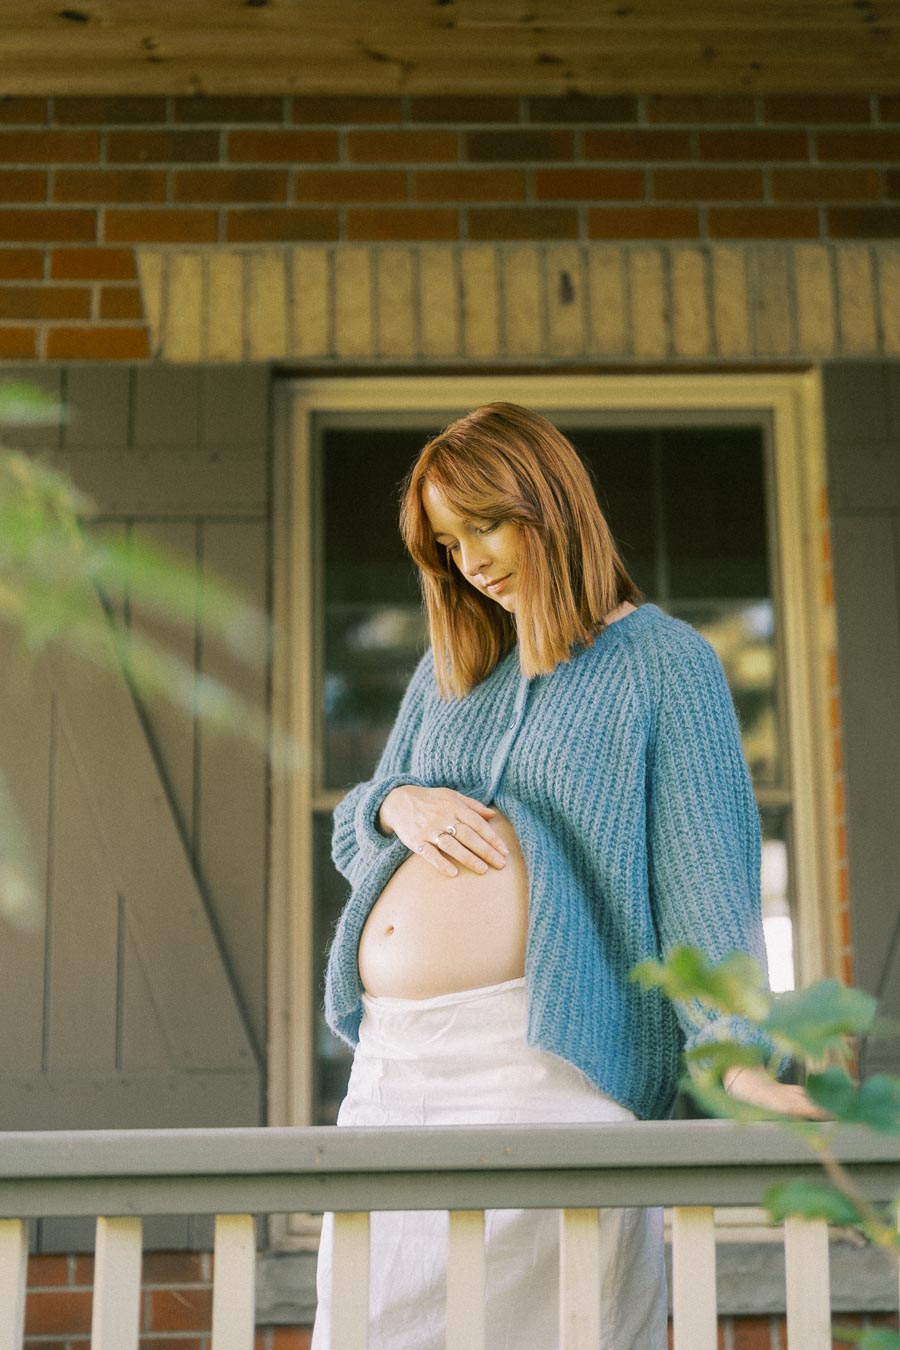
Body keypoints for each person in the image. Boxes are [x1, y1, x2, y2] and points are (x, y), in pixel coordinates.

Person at [311, 402, 821, 1350]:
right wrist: (394, 805)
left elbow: (704, 896)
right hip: (391, 1075)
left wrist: (743, 1063)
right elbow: (357, 835)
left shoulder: (663, 664)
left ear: (549, 502)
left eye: (485, 525)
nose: (469, 562)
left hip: (543, 1066)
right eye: (447, 544)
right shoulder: (449, 670)